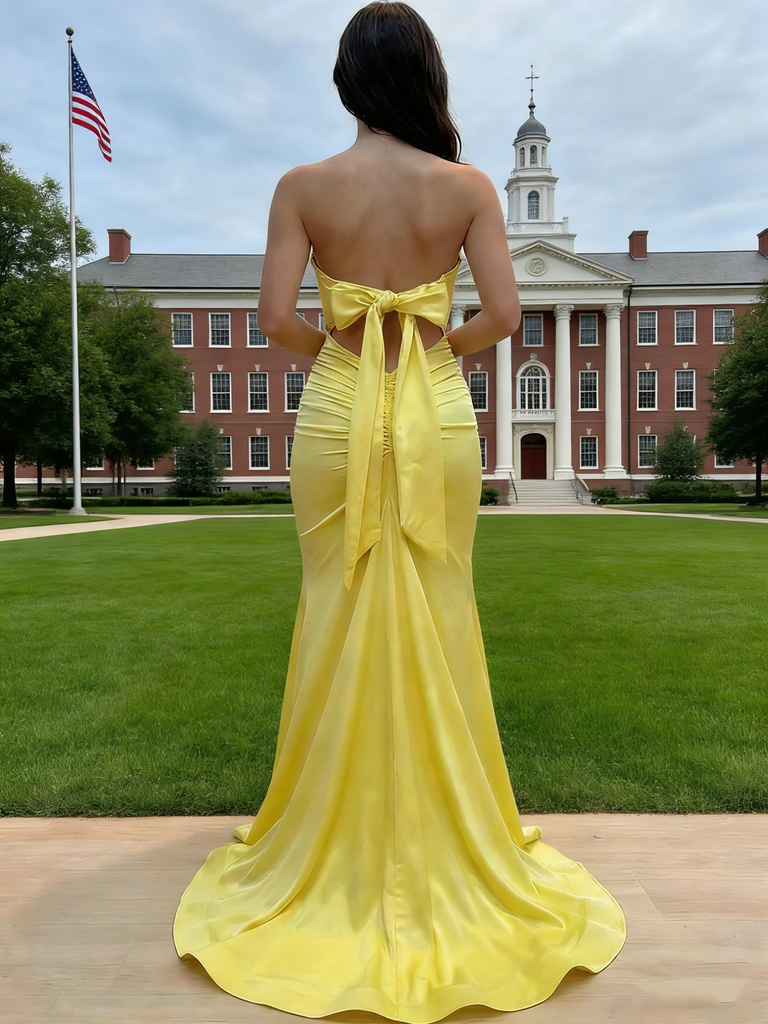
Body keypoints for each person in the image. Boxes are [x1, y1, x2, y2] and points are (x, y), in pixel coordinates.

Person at [173, 4, 626, 1020]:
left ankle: (326, 835)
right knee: (439, 593)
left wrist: (349, 343)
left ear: (347, 80)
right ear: (425, 77)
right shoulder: (464, 188)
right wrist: (427, 346)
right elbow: (505, 318)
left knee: (334, 598)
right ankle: (442, 828)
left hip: (340, 402)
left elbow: (276, 320)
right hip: (429, 406)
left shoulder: (303, 186)